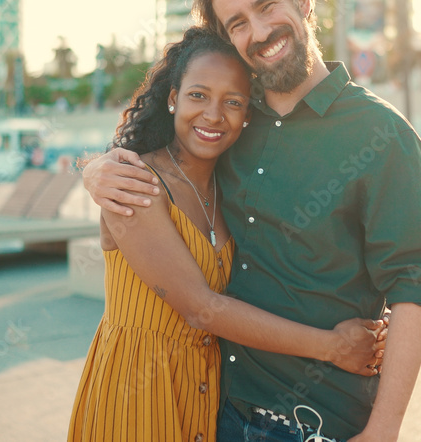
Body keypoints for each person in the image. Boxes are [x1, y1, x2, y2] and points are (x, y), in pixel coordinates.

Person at [84, 0, 421, 442]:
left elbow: (413, 284)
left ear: (303, 0)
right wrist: (96, 168)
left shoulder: (384, 136)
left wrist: (384, 429)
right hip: (219, 412)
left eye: (266, 6)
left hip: (319, 424)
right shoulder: (231, 120)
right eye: (236, 23)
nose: (257, 32)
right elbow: (156, 145)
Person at [69, 27, 387, 442]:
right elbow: (200, 307)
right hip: (137, 392)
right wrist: (333, 347)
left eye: (232, 102)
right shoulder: (134, 181)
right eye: (198, 95)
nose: (214, 115)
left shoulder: (232, 187)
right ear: (172, 98)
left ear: (248, 114)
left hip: (209, 394)